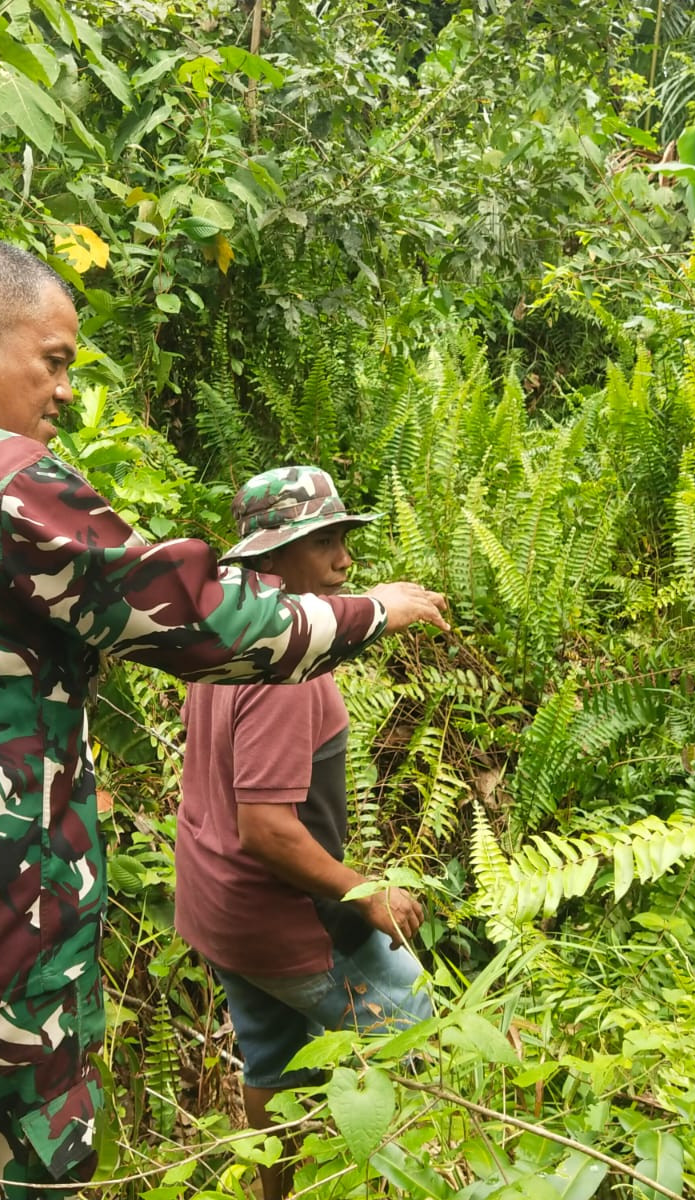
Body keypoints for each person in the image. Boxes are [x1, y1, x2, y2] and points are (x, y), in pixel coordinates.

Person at [0, 238, 448, 1199]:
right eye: (54, 360)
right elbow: (198, 623)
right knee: (36, 1182)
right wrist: (370, 612)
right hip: (0, 942)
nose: (65, 391)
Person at [174, 466, 436, 1200]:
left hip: (219, 910)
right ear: (274, 553)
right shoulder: (290, 675)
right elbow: (266, 828)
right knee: (425, 1043)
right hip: (284, 919)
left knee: (274, 1062)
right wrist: (368, 893)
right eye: (324, 543)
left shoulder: (228, 634)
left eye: (343, 539)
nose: (344, 560)